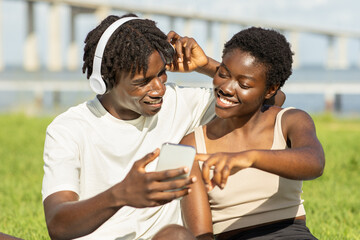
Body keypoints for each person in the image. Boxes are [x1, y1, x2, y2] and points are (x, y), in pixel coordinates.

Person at [41, 13, 219, 240]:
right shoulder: (69, 129)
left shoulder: (180, 103)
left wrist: (207, 66)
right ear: (105, 81)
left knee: (176, 235)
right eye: (142, 82)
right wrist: (120, 195)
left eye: (161, 74)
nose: (159, 89)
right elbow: (57, 224)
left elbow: (266, 102)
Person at [180, 27, 325, 240]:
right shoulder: (192, 146)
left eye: (244, 84)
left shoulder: (289, 121)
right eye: (223, 74)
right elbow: (201, 234)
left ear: (270, 90)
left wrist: (250, 157)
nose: (227, 88)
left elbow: (314, 162)